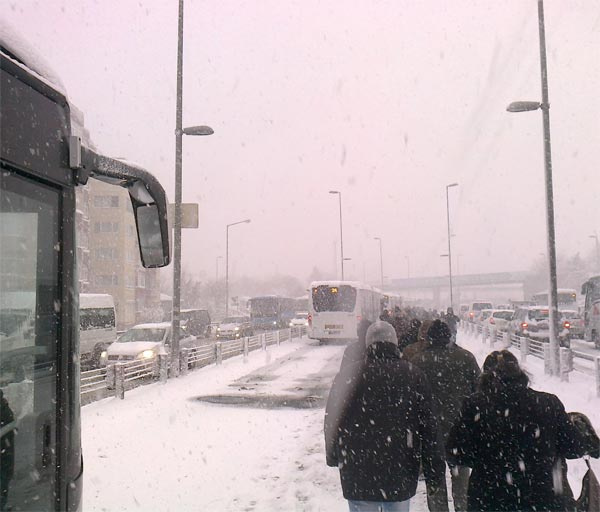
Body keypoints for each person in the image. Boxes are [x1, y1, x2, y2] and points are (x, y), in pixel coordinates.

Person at [446, 350, 597, 511]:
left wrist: (487, 461)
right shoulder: (548, 403)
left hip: (490, 499)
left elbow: (455, 452)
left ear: (485, 377)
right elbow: (574, 448)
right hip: (544, 498)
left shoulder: (475, 406)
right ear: (520, 374)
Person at [325, 321, 448, 512]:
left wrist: (334, 455)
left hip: (357, 467)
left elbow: (332, 420)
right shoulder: (413, 375)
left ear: (367, 344)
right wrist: (434, 470)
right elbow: (429, 427)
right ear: (395, 342)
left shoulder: (348, 375)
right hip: (400, 467)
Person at [408, 320, 480, 511]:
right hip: (460, 431)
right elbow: (479, 392)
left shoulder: (417, 362)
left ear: (429, 338)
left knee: (435, 481)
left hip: (431, 434)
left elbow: (411, 401)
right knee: (462, 481)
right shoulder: (466, 358)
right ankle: (462, 508)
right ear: (449, 336)